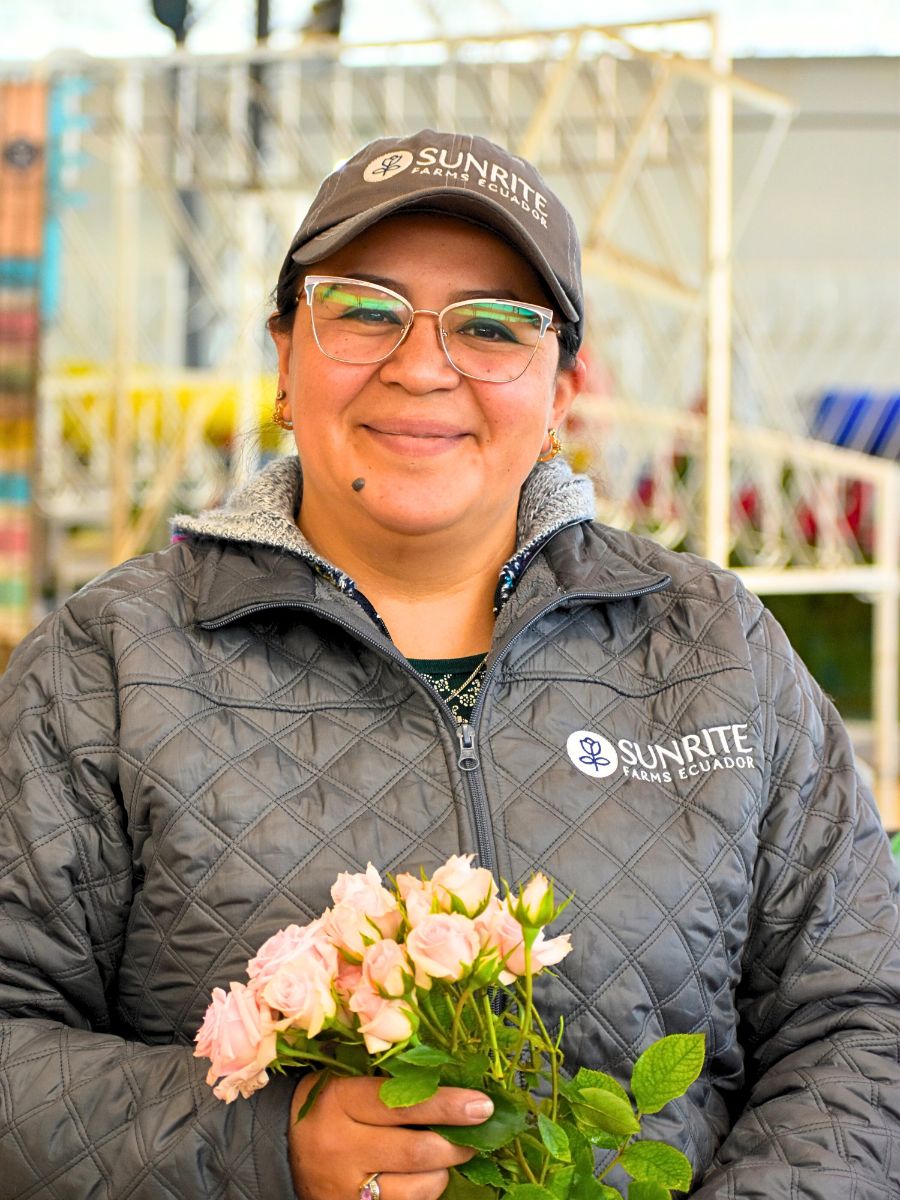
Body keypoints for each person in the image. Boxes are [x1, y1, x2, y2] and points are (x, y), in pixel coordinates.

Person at [0, 128, 898, 1200]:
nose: (422, 366)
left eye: (493, 326)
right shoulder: (111, 664)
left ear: (563, 389)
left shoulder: (711, 647)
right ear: (285, 358)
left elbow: (860, 1017)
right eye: (365, 310)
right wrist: (263, 1146)